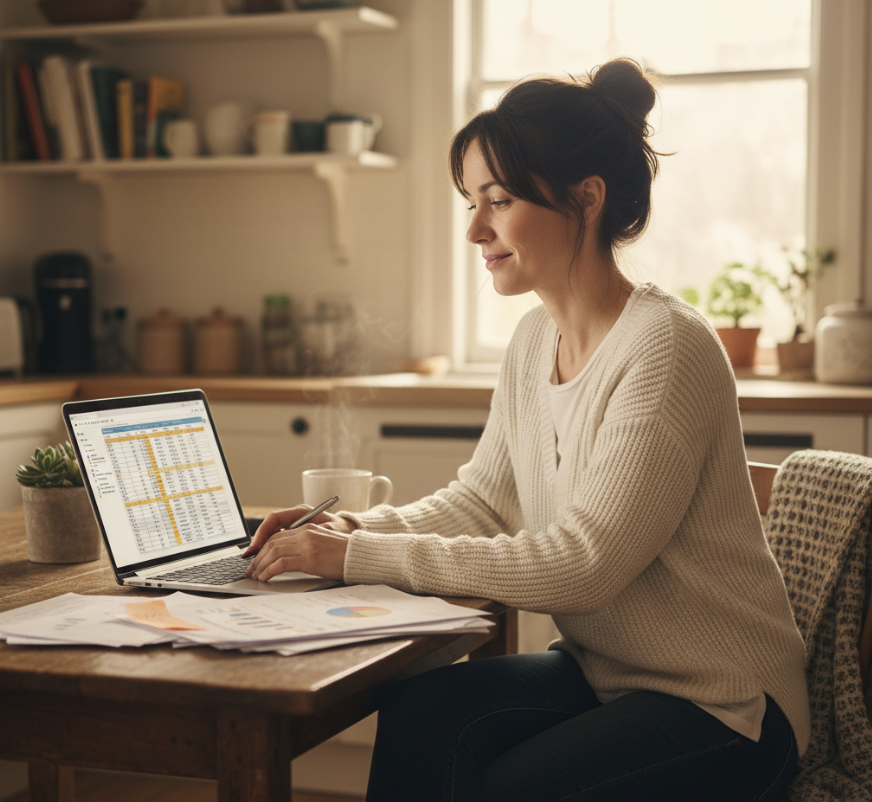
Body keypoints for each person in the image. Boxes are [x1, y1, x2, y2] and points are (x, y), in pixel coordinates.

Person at [243, 58, 811, 801]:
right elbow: (483, 502)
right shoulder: (533, 341)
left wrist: (358, 555)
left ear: (586, 198)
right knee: (421, 712)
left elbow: (584, 565)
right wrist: (348, 527)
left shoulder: (667, 347)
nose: (475, 229)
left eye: (500, 200)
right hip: (607, 675)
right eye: (472, 202)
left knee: (506, 788)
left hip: (726, 706)